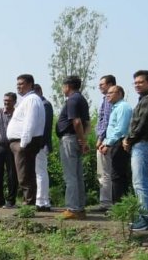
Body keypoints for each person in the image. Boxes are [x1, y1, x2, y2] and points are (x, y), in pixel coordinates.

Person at [123, 70, 148, 231]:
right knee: (139, 183)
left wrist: (128, 139)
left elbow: (141, 125)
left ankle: (146, 220)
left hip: (143, 144)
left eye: (141, 82)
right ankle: (143, 218)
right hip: (142, 144)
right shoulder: (144, 100)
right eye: (136, 82)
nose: (137, 85)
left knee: (141, 183)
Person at [6, 74, 45, 206]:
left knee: (25, 176)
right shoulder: (27, 100)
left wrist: (23, 143)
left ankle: (28, 205)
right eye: (17, 84)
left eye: (21, 84)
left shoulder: (32, 100)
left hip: (25, 143)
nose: (18, 86)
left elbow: (30, 122)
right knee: (25, 174)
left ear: (30, 84)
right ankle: (27, 203)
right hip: (21, 143)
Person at [56, 75, 90, 219]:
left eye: (63, 86)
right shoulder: (82, 99)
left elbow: (76, 122)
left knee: (70, 176)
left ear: (68, 86)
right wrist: (83, 140)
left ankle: (72, 208)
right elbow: (87, 123)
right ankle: (80, 208)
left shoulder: (72, 100)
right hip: (76, 139)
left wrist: (80, 139)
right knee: (77, 176)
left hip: (69, 139)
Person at [98, 86, 132, 205]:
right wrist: (105, 142)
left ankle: (119, 206)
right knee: (115, 175)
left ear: (119, 94)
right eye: (107, 93)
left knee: (118, 175)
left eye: (111, 93)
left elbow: (120, 129)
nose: (108, 95)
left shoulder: (123, 107)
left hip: (120, 142)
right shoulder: (115, 107)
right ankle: (118, 204)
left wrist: (108, 143)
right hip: (114, 142)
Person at [94, 75, 117, 212]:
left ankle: (106, 202)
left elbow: (106, 121)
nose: (100, 87)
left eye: (102, 84)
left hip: (105, 141)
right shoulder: (107, 100)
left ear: (110, 84)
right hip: (107, 140)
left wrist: (100, 138)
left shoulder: (109, 101)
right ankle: (107, 201)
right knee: (104, 172)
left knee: (104, 172)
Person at [33, 83, 54, 212]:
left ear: (39, 91)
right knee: (40, 172)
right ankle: (42, 200)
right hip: (39, 143)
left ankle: (42, 201)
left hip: (40, 144)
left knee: (40, 172)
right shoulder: (41, 104)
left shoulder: (44, 105)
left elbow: (45, 127)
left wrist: (40, 144)